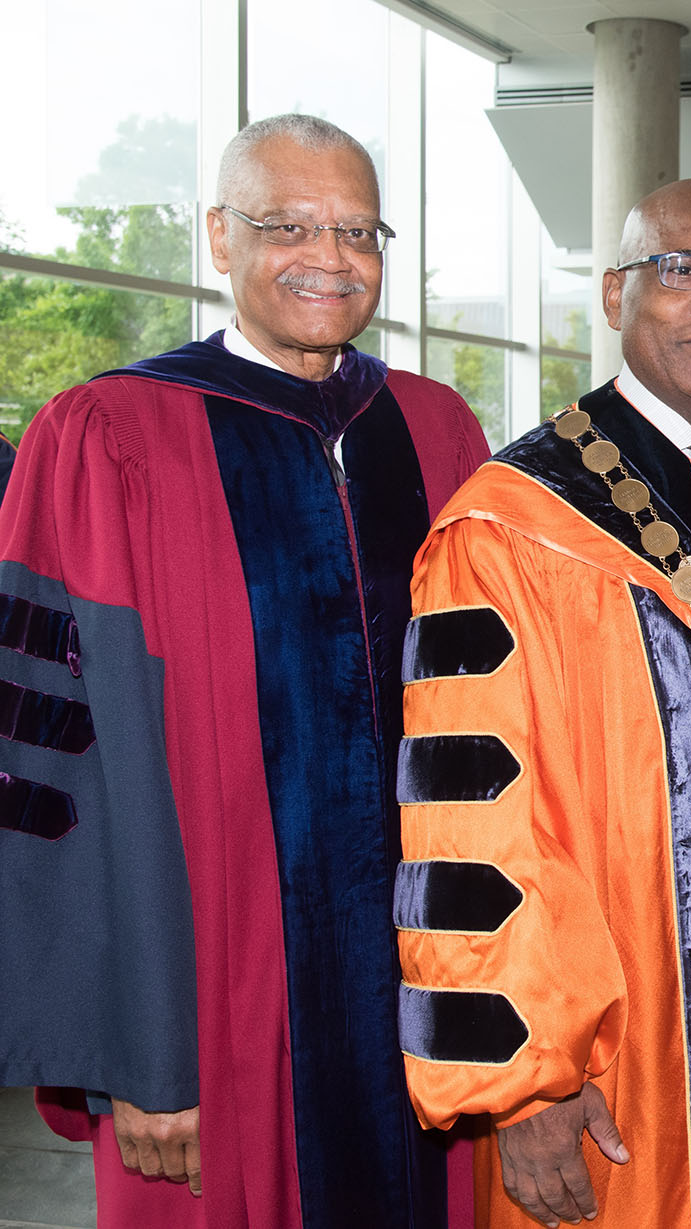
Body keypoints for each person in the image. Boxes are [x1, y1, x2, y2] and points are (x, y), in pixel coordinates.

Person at [0, 114, 489, 1228]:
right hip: (215, 997)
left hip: (432, 994)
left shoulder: (436, 429)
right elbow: (64, 774)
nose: (331, 256)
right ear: (220, 238)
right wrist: (137, 1042)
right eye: (289, 225)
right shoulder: (105, 437)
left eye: (359, 229)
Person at [397, 178, 691, 1229]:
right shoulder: (513, 523)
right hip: (614, 1066)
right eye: (682, 270)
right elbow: (473, 828)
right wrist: (527, 1079)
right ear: (615, 292)